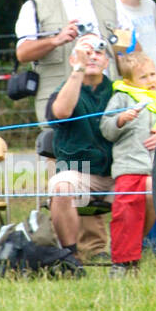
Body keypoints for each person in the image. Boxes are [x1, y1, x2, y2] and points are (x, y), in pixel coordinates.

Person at [15, 0, 120, 124]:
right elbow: (22, 53)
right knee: (62, 152)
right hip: (59, 101)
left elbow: (130, 47)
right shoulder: (36, 3)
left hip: (107, 99)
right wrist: (56, 40)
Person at [44, 34, 129, 265]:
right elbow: (61, 112)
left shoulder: (120, 92)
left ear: (107, 62)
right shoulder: (65, 90)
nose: (92, 56)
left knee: (150, 189)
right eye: (85, 51)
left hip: (118, 173)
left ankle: (130, 252)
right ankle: (70, 256)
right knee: (61, 187)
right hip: (79, 174)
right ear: (73, 59)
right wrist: (79, 70)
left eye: (98, 52)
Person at [99, 52, 156, 274]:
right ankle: (125, 262)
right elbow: (106, 129)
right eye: (143, 77)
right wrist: (120, 120)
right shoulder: (121, 98)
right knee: (125, 212)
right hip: (130, 167)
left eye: (153, 74)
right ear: (128, 81)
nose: (151, 80)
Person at [116, 0, 156, 95]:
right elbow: (121, 56)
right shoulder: (117, 11)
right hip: (136, 87)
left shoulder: (150, 6)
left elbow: (155, 46)